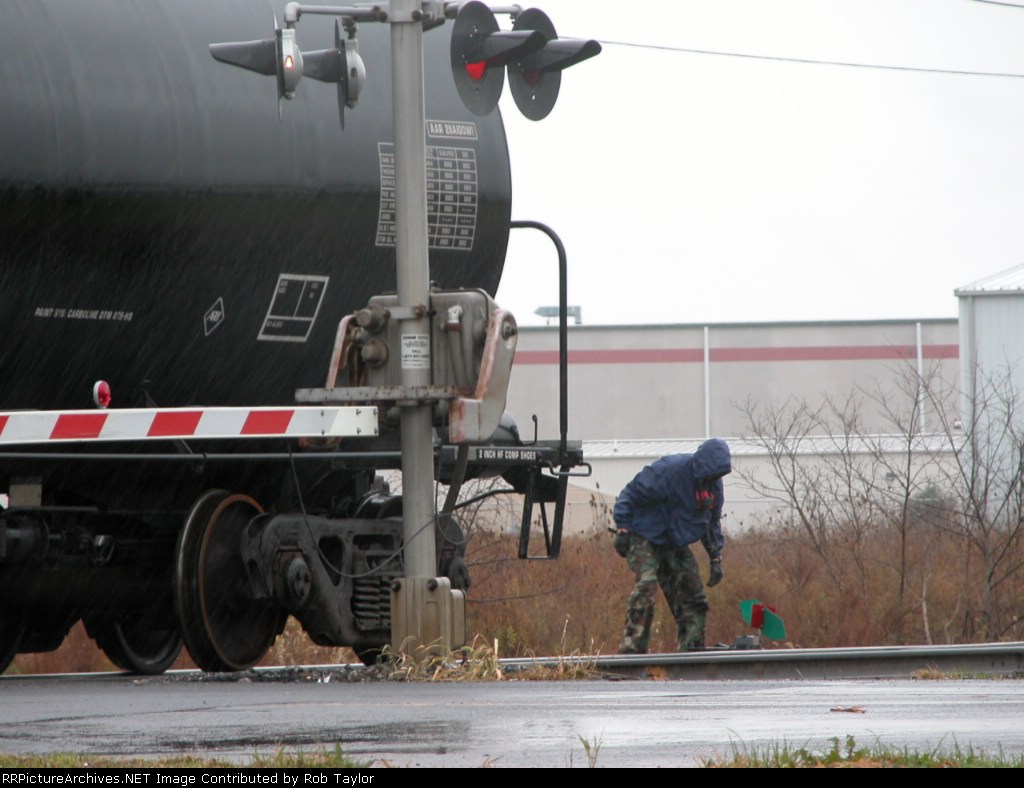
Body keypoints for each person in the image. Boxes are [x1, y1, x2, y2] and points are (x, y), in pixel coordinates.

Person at [612, 438, 731, 653]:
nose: (712, 479)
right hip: (644, 533)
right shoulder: (669, 470)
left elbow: (711, 522)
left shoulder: (713, 486)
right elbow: (631, 493)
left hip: (673, 540)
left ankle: (691, 651)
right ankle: (632, 652)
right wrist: (622, 526)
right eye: (710, 475)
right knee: (646, 587)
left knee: (693, 594)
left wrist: (715, 556)